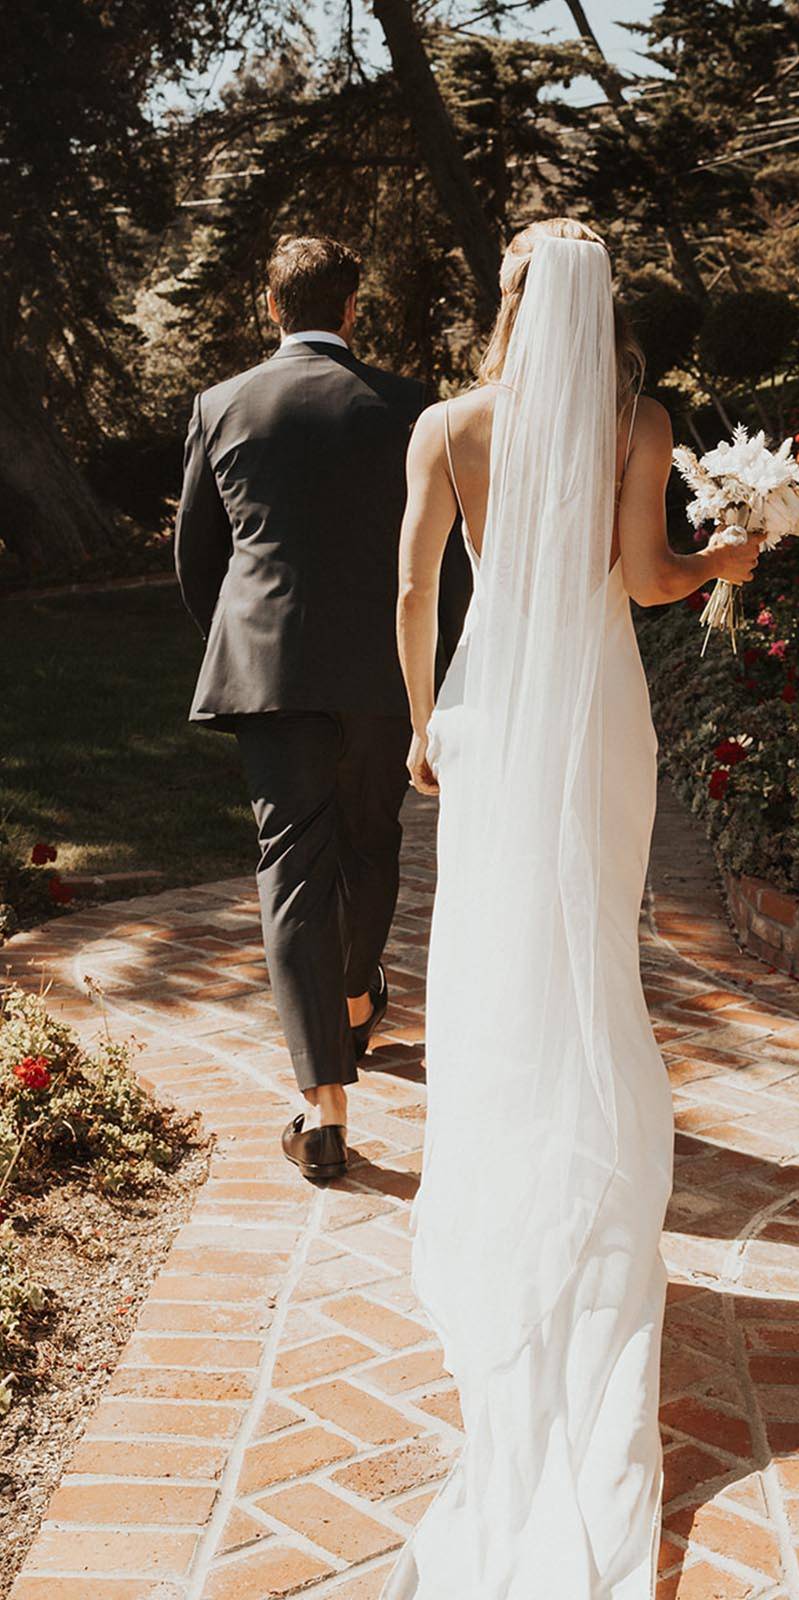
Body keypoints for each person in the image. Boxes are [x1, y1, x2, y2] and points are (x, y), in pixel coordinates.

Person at [390, 218, 761, 1598]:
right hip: (600, 710)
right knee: (589, 947)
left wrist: (426, 726)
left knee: (495, 953)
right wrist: (729, 557)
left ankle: (503, 1166)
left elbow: (414, 588)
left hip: (491, 710)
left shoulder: (444, 428)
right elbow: (649, 581)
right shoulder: (637, 420)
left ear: (505, 303)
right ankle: (589, 1171)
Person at [174, 234, 428, 1185]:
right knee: (370, 838)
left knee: (291, 866)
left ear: (267, 306)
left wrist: (247, 644)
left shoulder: (223, 403)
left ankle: (322, 1107)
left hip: (269, 670)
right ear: (352, 309)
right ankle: (357, 996)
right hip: (382, 669)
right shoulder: (409, 407)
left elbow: (199, 559)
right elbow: (432, 553)